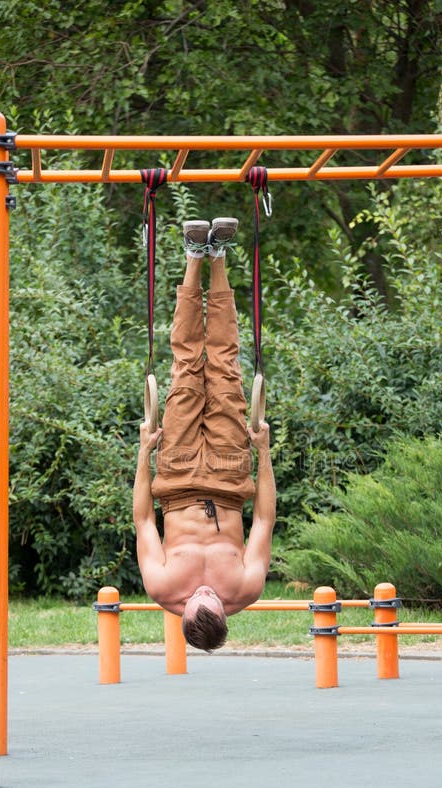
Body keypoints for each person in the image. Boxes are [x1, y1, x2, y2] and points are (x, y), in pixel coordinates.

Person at [133, 217, 276, 652]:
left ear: (185, 614)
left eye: (197, 601)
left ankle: (194, 256)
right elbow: (265, 519)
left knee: (188, 367)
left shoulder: (161, 587)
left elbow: (142, 520)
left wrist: (144, 453)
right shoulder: (246, 588)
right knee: (225, 365)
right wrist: (264, 453)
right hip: (231, 478)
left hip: (175, 476)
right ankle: (218, 256)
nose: (204, 592)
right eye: (210, 600)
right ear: (224, 615)